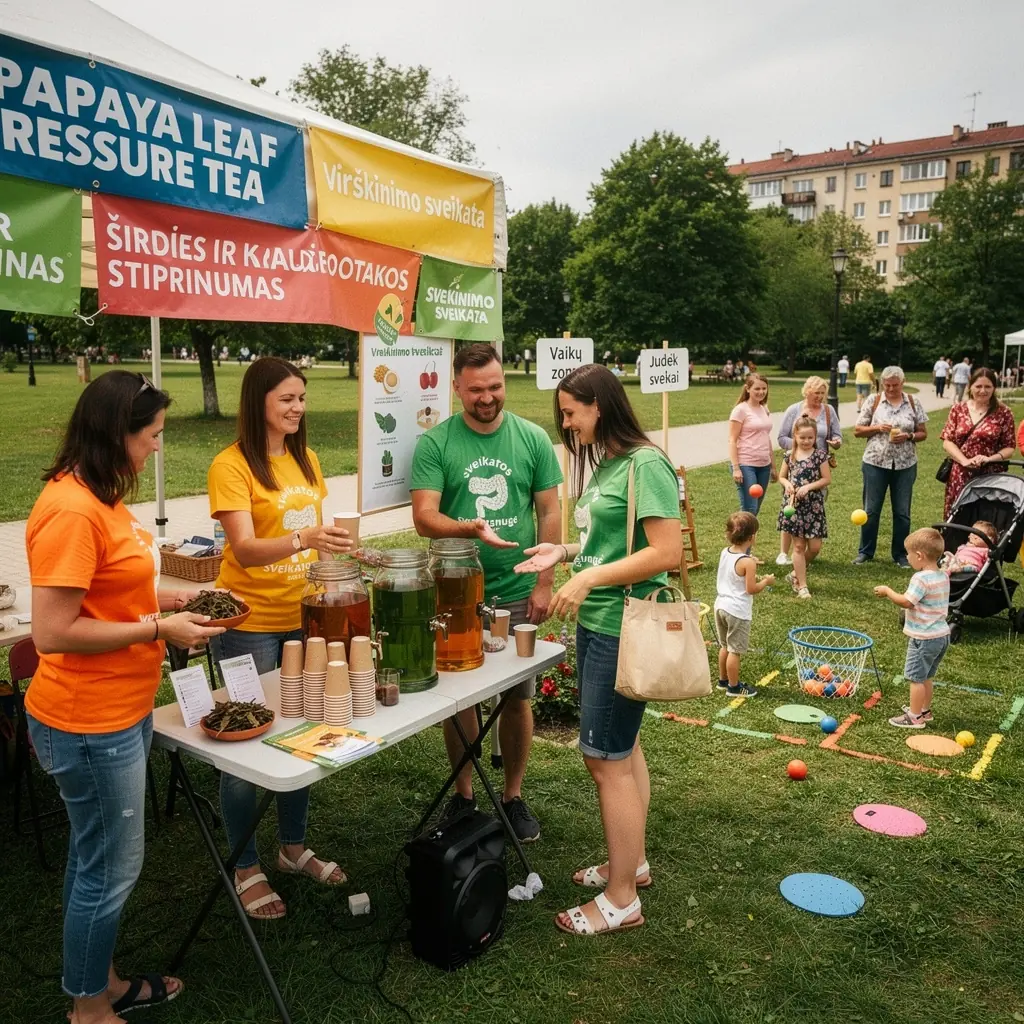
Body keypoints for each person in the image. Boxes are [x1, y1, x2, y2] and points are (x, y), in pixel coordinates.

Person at [25, 371, 224, 1023]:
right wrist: (157, 628)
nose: (158, 448)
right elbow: (53, 632)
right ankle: (89, 1010)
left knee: (98, 859)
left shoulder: (101, 496)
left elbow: (106, 595)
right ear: (118, 434)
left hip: (119, 711)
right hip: (88, 723)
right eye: (154, 435)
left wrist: (166, 600)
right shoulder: (72, 509)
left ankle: (100, 980)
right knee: (109, 868)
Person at [513, 363, 681, 936]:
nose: (565, 424)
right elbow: (605, 542)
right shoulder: (609, 465)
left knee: (604, 759)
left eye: (570, 412)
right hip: (602, 621)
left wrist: (589, 579)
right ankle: (631, 864)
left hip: (621, 625)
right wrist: (564, 554)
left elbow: (665, 553)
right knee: (623, 749)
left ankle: (621, 898)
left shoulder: (646, 464)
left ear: (599, 406)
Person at [208, 357, 354, 920]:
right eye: (286, 399)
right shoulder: (231, 465)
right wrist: (304, 538)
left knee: (303, 729)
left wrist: (336, 556)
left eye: (301, 397)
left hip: (305, 615)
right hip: (249, 624)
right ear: (258, 403)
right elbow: (244, 548)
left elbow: (313, 540)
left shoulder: (306, 458)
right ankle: (244, 865)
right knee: (244, 739)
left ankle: (292, 848)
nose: (297, 408)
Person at [411, 343, 562, 842]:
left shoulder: (533, 438)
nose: (487, 398)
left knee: (517, 698)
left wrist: (544, 581)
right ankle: (465, 797)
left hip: (517, 587)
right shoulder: (437, 443)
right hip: (455, 591)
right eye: (476, 390)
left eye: (495, 387)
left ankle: (514, 797)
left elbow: (549, 513)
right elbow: (424, 518)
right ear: (457, 388)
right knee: (460, 699)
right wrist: (467, 528)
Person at [873, 528, 950, 729]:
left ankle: (914, 717)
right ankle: (924, 710)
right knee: (926, 676)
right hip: (941, 636)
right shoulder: (942, 576)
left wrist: (888, 591)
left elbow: (907, 602)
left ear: (919, 556)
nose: (907, 558)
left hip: (924, 638)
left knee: (915, 678)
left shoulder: (920, 579)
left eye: (908, 554)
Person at [853, 366, 929, 567]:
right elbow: (858, 430)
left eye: (895, 385)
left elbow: (923, 432)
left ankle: (901, 554)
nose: (891, 389)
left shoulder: (913, 402)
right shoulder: (874, 400)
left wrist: (909, 436)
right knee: (871, 510)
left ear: (902, 383)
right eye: (887, 385)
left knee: (902, 511)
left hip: (905, 463)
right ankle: (866, 551)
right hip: (875, 462)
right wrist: (878, 428)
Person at [775, 376, 842, 566]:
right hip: (796, 467)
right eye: (816, 393)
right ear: (807, 392)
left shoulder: (828, 411)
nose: (820, 397)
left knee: (812, 508)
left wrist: (835, 442)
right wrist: (799, 447)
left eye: (823, 393)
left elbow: (837, 434)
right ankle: (785, 552)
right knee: (791, 508)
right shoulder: (794, 410)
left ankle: (802, 555)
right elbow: (781, 437)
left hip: (817, 468)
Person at [939, 367, 1016, 518]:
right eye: (978, 386)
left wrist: (989, 459)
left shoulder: (1004, 412)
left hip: (990, 475)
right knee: (956, 517)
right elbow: (947, 441)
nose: (983, 391)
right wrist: (965, 461)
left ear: (994, 388)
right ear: (970, 386)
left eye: (988, 386)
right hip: (960, 474)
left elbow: (1009, 447)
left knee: (985, 519)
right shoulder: (958, 409)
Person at [714, 511, 775, 697]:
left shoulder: (725, 552)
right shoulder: (747, 562)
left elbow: (735, 571)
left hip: (721, 606)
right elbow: (751, 589)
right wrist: (766, 581)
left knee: (724, 646)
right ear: (752, 537)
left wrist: (750, 562)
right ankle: (734, 687)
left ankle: (723, 681)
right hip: (737, 612)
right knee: (735, 651)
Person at [778, 417, 831, 599]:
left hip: (813, 505)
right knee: (798, 546)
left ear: (815, 436)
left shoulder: (820, 455)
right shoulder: (789, 455)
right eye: (803, 438)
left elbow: (826, 479)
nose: (806, 441)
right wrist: (787, 485)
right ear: (795, 436)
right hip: (793, 505)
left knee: (815, 547)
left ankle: (795, 572)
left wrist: (808, 487)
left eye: (810, 437)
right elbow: (782, 476)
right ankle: (802, 585)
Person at [727, 373, 777, 515]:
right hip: (746, 464)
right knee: (750, 510)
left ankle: (747, 537)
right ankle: (741, 537)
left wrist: (773, 466)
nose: (761, 392)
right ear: (747, 389)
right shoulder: (740, 410)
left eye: (764, 388)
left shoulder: (764, 409)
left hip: (764, 465)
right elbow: (732, 440)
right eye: (757, 389)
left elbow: (766, 438)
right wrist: (736, 468)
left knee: (755, 510)